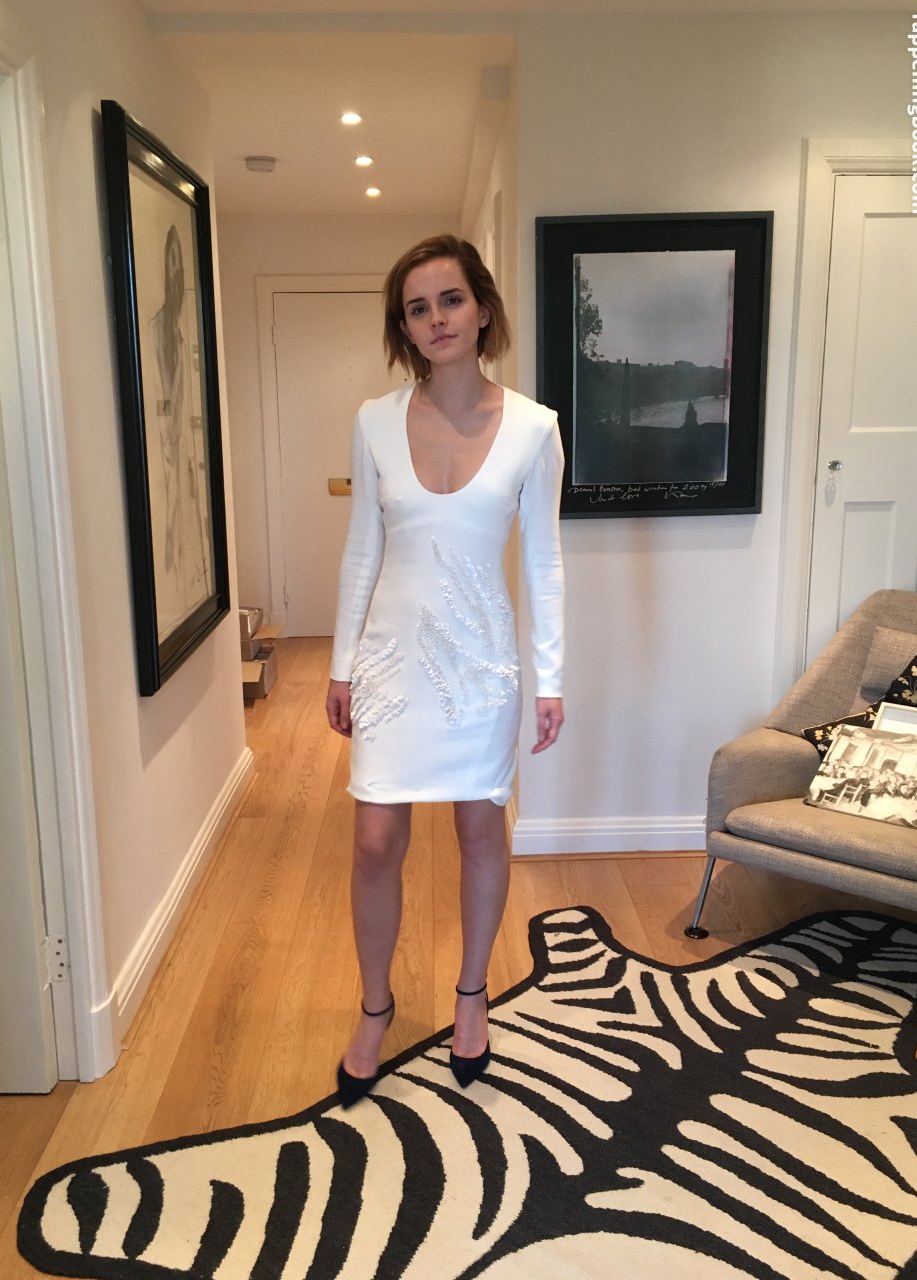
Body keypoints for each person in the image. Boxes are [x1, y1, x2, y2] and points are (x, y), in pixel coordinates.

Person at [325, 234, 565, 1107]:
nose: (436, 319)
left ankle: (471, 996)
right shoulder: (373, 421)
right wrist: (342, 664)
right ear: (405, 327)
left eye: (451, 299)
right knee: (374, 840)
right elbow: (363, 547)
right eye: (418, 308)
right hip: (391, 662)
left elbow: (544, 560)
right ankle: (376, 1006)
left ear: (484, 308)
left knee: (478, 832)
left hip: (480, 667)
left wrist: (550, 677)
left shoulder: (535, 428)